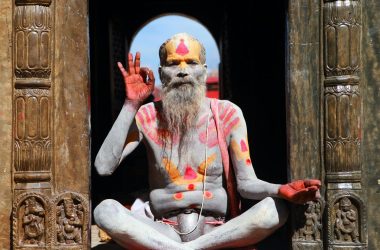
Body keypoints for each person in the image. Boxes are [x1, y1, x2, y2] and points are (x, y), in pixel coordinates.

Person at [94, 33, 321, 249]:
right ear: (162, 73)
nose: (183, 71)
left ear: (203, 71)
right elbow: (103, 167)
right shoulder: (147, 116)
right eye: (173, 64)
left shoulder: (227, 114)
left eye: (191, 62)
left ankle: (189, 248)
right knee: (104, 211)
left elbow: (246, 184)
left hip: (218, 231)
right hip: (163, 231)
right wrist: (130, 105)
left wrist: (282, 189)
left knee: (275, 209)